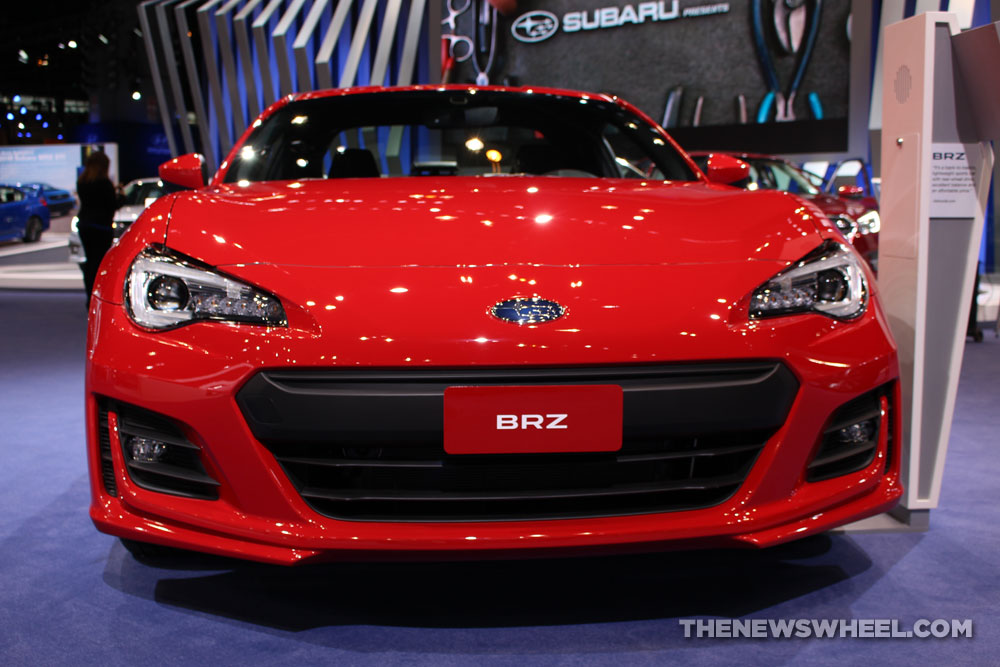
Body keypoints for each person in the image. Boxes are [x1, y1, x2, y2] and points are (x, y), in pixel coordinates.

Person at [76, 151, 117, 305]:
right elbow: (112, 205)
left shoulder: (82, 182)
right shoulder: (104, 183)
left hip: (85, 226)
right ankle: (98, 295)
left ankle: (89, 296)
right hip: (101, 227)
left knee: (90, 260)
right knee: (99, 262)